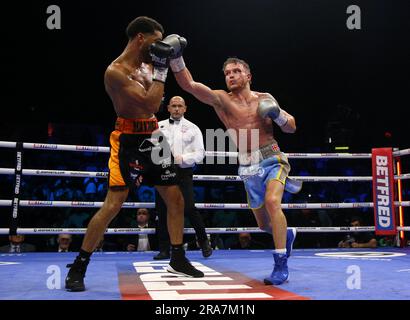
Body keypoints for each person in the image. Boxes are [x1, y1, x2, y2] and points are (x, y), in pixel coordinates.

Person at [65, 17, 203, 292]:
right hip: (127, 139)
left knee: (175, 199)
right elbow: (153, 101)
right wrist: (162, 67)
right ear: (140, 37)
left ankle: (177, 257)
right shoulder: (115, 72)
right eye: (155, 40)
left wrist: (174, 58)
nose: (158, 47)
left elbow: (164, 97)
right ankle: (79, 265)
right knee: (113, 204)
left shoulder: (148, 63)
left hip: (153, 135)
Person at [166, 34, 299, 285]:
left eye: (236, 71)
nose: (231, 75)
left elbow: (291, 127)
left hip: (273, 158)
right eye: (227, 72)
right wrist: (176, 58)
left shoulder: (265, 98)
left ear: (248, 76)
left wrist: (278, 114)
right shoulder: (221, 99)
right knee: (262, 224)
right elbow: (190, 86)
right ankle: (287, 234)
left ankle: (280, 264)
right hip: (247, 165)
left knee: (273, 202)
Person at [154, 96, 212, 260]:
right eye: (174, 106)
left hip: (183, 172)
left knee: (189, 208)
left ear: (185, 108)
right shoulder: (159, 126)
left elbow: (200, 154)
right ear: (168, 108)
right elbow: (151, 149)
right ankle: (165, 249)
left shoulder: (193, 128)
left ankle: (204, 242)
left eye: (180, 106)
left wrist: (183, 159)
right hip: (162, 172)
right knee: (162, 210)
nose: (177, 109)